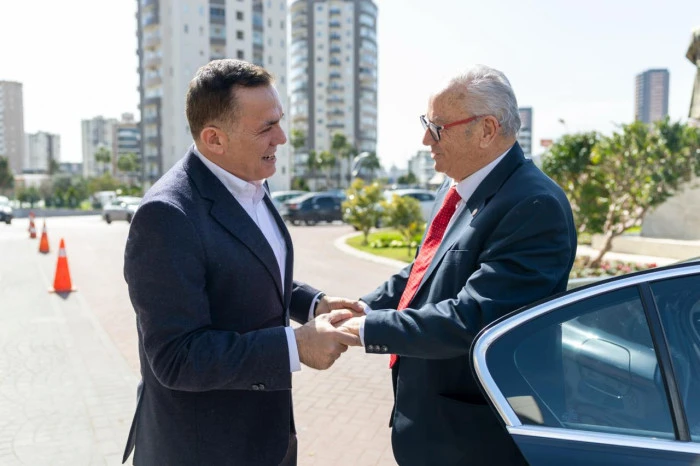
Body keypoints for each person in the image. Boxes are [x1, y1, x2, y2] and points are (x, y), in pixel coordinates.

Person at [121, 59, 361, 466]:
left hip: (269, 437)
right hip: (205, 449)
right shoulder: (166, 216)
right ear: (214, 139)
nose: (281, 138)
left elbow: (247, 267)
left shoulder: (249, 178)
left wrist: (312, 304)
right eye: (266, 128)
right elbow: (177, 357)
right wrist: (296, 345)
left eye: (279, 121)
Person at [339, 65, 577, 465]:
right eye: (426, 125)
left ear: (486, 130)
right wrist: (362, 307)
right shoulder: (455, 186)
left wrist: (364, 330)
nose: (425, 140)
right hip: (434, 427)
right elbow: (424, 268)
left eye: (437, 128)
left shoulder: (534, 205)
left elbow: (475, 319)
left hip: (475, 440)